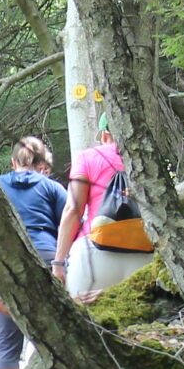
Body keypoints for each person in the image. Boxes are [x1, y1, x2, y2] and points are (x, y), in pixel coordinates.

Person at [0, 138, 67, 369]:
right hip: (45, 258)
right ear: (44, 163)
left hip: (3, 264)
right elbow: (70, 227)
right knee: (53, 335)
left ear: (13, 162)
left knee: (4, 347)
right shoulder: (53, 189)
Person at [53, 124, 149, 299]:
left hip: (94, 252)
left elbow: (73, 209)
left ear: (105, 135)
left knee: (90, 319)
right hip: (145, 251)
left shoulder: (88, 157)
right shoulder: (147, 158)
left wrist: (58, 262)